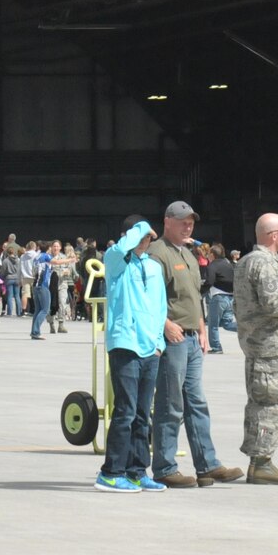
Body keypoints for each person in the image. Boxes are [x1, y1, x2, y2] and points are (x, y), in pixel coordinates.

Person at [146, 202, 243, 489]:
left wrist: (201, 327)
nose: (187, 226)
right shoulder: (157, 254)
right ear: (167, 222)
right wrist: (165, 324)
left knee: (196, 402)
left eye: (190, 222)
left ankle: (208, 465)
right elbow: (149, 296)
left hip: (191, 337)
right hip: (172, 337)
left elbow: (193, 296)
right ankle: (164, 467)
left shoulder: (187, 254)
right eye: (182, 221)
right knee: (170, 404)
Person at [95, 216, 167, 493]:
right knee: (124, 411)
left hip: (150, 348)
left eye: (149, 236)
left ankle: (137, 470)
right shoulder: (117, 263)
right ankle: (111, 471)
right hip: (125, 344)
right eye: (141, 235)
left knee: (141, 414)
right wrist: (140, 228)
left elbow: (160, 307)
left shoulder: (153, 267)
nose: (146, 240)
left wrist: (159, 342)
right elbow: (117, 250)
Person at [233, 212, 278, 484]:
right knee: (272, 405)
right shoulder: (265, 264)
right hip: (269, 346)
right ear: (273, 235)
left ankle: (258, 461)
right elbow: (273, 304)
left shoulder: (246, 262)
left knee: (258, 403)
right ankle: (262, 462)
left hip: (255, 344)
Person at [206, 247, 239, 353]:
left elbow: (209, 281)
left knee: (213, 324)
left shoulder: (213, 265)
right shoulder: (228, 264)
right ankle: (247, 328)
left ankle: (216, 347)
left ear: (212, 254)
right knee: (227, 324)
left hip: (218, 297)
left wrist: (200, 291)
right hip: (231, 297)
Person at [30, 244, 55, 339]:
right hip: (43, 285)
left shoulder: (36, 257)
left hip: (35, 285)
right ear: (48, 248)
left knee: (38, 310)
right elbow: (56, 262)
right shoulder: (46, 256)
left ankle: (34, 332)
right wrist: (70, 260)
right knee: (45, 309)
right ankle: (36, 331)